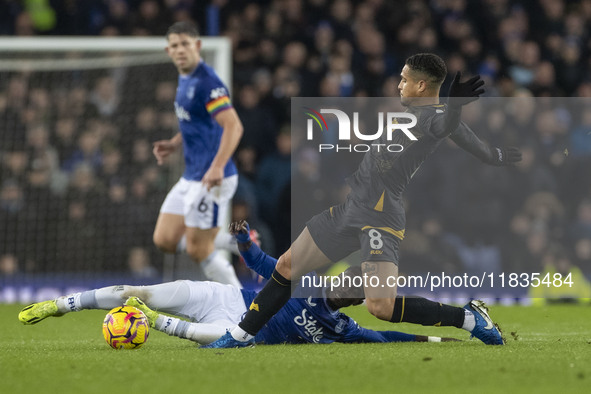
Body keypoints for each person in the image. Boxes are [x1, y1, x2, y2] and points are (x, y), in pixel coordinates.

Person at [205, 53, 521, 348]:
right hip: (352, 208)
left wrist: (453, 106)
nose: (399, 84)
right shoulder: (419, 114)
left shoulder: (433, 118)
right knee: (288, 265)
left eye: (404, 79)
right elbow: (462, 133)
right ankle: (241, 334)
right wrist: (494, 155)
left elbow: (448, 124)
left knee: (379, 306)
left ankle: (467, 317)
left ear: (421, 85)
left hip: (380, 216)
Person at [17, 221, 459, 345]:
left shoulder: (343, 330)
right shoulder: (300, 281)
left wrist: (429, 340)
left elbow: (384, 335)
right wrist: (246, 242)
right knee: (135, 291)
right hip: (225, 297)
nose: (351, 288)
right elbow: (261, 262)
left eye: (358, 291)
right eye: (353, 280)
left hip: (237, 328)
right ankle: (60, 305)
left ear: (358, 300)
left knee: (230, 338)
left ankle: (154, 323)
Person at [151, 21, 243, 287]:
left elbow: (234, 126)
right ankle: (231, 240)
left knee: (197, 250)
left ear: (198, 46)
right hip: (191, 176)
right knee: (164, 240)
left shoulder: (207, 82)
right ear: (169, 51)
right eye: (175, 45)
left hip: (214, 177)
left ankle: (244, 307)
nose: (180, 50)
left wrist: (216, 166)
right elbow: (199, 121)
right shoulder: (185, 78)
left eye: (185, 44)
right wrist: (176, 142)